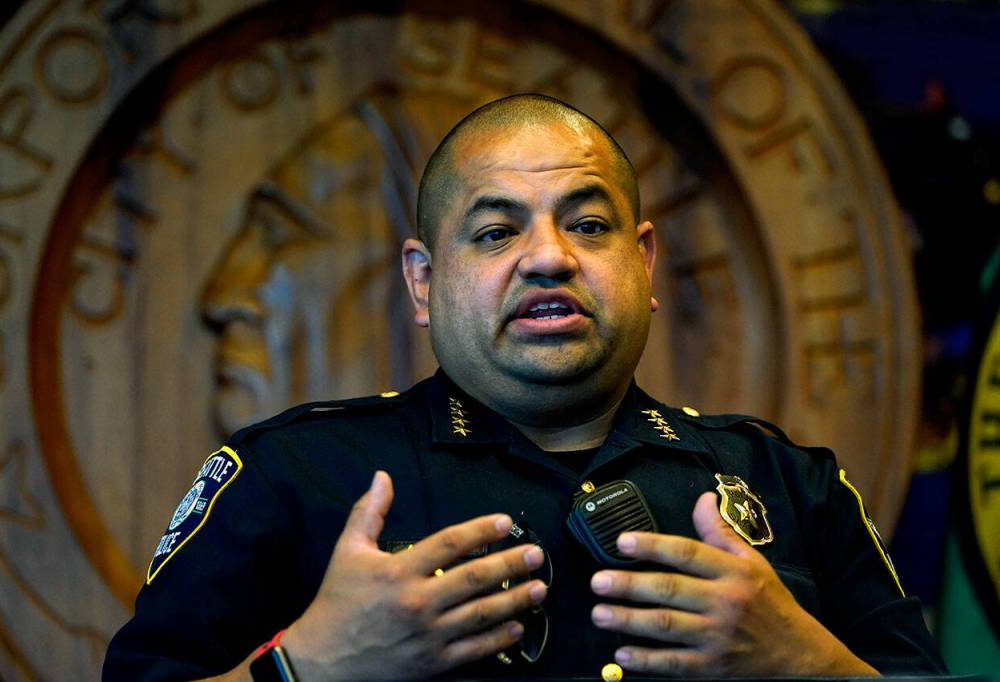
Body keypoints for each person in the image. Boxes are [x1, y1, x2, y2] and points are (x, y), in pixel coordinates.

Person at [104, 94, 946, 681]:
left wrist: (811, 666)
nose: (548, 257)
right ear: (424, 283)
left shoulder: (790, 484)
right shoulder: (290, 475)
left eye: (589, 224)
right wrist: (308, 668)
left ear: (644, 263)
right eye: (497, 231)